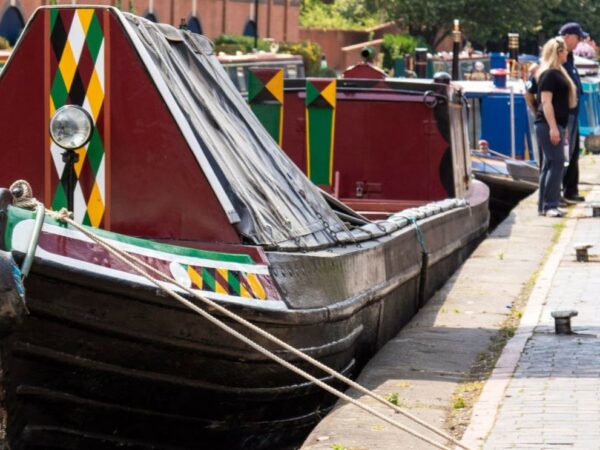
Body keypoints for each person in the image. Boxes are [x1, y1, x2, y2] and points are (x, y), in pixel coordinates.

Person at [535, 36, 578, 217]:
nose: (567, 53)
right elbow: (546, 102)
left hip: (556, 124)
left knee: (549, 164)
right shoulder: (549, 75)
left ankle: (544, 205)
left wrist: (562, 126)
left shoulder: (557, 72)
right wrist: (553, 127)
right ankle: (550, 205)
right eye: (564, 51)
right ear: (557, 53)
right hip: (547, 125)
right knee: (557, 163)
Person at [558, 22, 588, 202]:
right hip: (565, 114)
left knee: (573, 152)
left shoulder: (569, 58)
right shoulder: (558, 57)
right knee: (564, 154)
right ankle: (560, 192)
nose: (579, 43)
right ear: (568, 36)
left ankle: (570, 190)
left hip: (572, 114)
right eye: (578, 38)